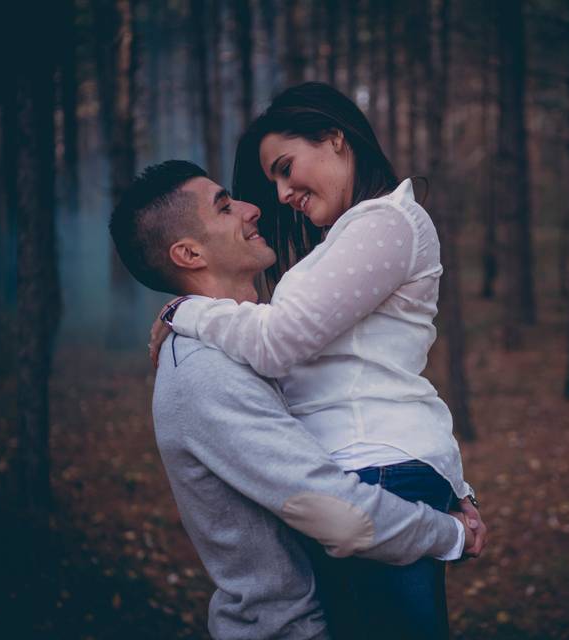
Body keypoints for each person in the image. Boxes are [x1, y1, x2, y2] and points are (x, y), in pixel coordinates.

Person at [149, 82, 482, 639]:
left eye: (286, 167)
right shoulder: (355, 238)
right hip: (375, 475)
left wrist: (187, 311)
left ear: (334, 139)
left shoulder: (385, 222)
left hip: (378, 477)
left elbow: (280, 342)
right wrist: (457, 485)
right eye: (273, 179)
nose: (280, 194)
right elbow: (376, 368)